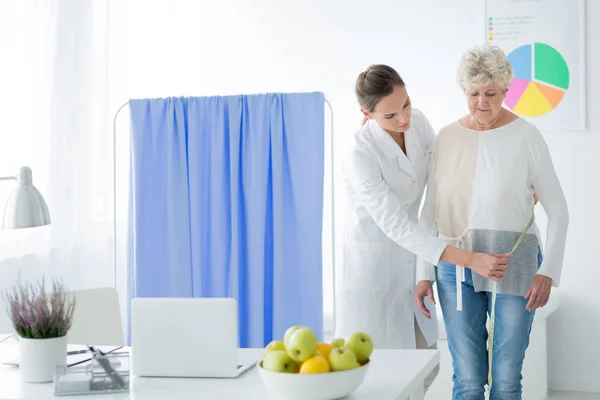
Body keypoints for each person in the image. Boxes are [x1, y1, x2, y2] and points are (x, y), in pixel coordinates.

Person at [335, 64, 511, 391]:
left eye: (406, 104)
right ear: (366, 113)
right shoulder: (360, 153)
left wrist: (423, 272)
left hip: (416, 258)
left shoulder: (419, 124)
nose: (403, 118)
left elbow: (438, 189)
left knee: (425, 367)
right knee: (379, 377)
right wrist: (468, 259)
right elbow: (394, 223)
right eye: (390, 116)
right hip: (374, 269)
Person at [415, 44, 569, 399]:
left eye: (491, 93)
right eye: (473, 94)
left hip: (513, 262)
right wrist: (423, 273)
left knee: (505, 379)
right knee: (467, 378)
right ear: (463, 91)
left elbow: (558, 206)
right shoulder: (447, 138)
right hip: (455, 265)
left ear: (506, 90)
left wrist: (548, 272)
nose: (481, 102)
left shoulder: (527, 136)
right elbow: (429, 211)